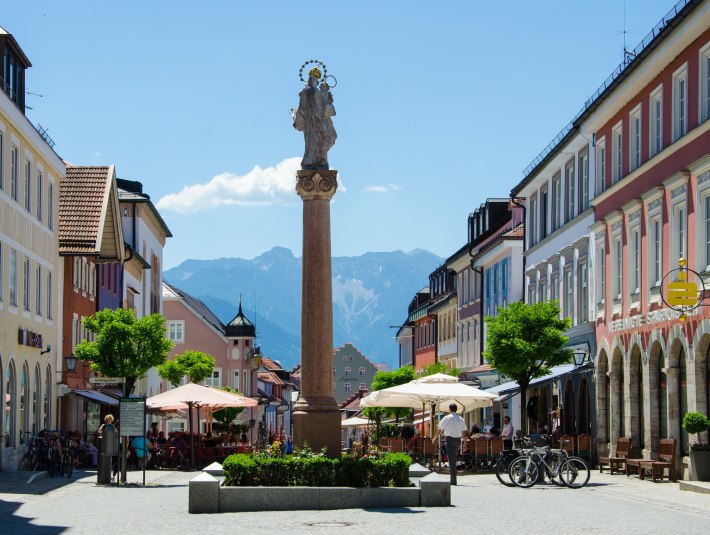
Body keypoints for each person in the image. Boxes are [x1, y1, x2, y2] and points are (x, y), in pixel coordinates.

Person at [292, 67, 337, 169]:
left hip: (320, 120)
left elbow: (326, 105)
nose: (316, 81)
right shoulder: (306, 91)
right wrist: (298, 119)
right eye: (315, 79)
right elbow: (302, 107)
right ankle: (312, 161)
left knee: (324, 139)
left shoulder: (316, 91)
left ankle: (320, 160)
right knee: (313, 142)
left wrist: (327, 99)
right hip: (311, 121)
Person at [432, 403, 468, 485]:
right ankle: (453, 479)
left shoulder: (446, 418)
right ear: (456, 409)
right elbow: (464, 432)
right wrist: (465, 443)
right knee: (453, 459)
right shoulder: (461, 419)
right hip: (458, 441)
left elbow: (440, 430)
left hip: (449, 440)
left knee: (451, 460)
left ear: (449, 409)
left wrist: (434, 438)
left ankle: (453, 480)